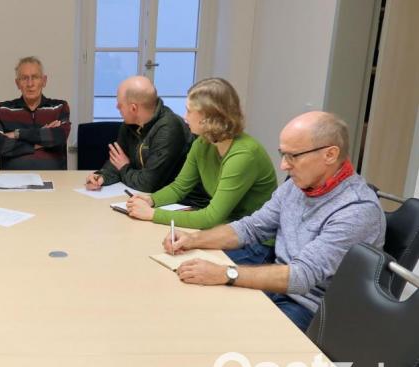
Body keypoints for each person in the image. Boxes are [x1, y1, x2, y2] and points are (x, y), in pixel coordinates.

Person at [162, 111, 386, 331]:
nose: (284, 166)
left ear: (330, 154)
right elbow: (250, 227)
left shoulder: (356, 210)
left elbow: (302, 276)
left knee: (224, 331)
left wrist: (225, 273)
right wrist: (194, 239)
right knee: (194, 309)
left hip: (312, 309)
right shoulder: (298, 185)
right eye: (283, 154)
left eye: (293, 156)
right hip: (278, 288)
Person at [126, 77, 278, 263]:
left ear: (209, 117)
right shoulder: (203, 143)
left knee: (183, 264)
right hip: (223, 232)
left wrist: (152, 214)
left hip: (255, 243)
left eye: (190, 111)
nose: (185, 117)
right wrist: (151, 200)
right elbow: (180, 187)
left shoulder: (244, 155)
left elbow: (211, 217)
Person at [85, 76, 203, 202]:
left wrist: (124, 167)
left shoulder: (169, 128)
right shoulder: (129, 124)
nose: (116, 107)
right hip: (146, 198)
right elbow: (117, 161)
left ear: (133, 108)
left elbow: (148, 183)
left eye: (120, 104)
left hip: (183, 203)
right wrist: (102, 176)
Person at [0, 56, 71, 170]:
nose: (30, 84)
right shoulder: (3, 109)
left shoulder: (59, 107)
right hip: (11, 181)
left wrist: (17, 134)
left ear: (44, 81)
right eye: (24, 78)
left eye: (35, 77)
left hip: (54, 180)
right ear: (17, 83)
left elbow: (59, 137)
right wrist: (40, 139)